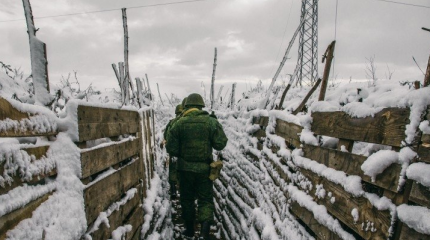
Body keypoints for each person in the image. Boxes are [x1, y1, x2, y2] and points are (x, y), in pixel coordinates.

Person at [166, 93, 228, 240]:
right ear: (201, 106)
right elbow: (221, 143)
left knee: (186, 199)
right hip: (204, 170)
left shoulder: (178, 123)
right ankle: (204, 234)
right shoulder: (210, 122)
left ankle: (189, 230)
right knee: (205, 200)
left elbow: (171, 149)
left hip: (184, 170)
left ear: (186, 106)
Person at [163, 103, 184, 199]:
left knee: (172, 170)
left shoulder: (171, 123)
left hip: (174, 152)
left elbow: (166, 136)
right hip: (185, 153)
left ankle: (173, 190)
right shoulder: (186, 122)